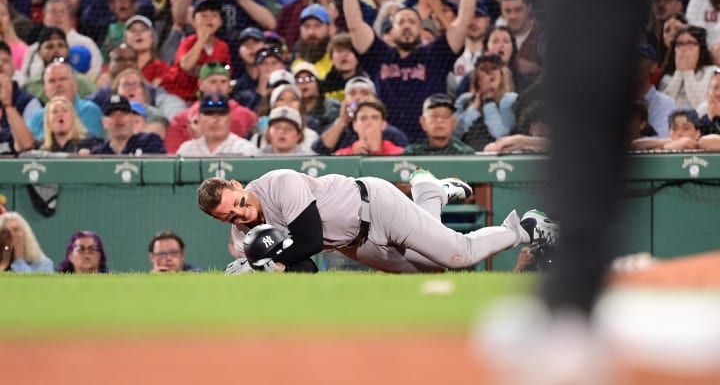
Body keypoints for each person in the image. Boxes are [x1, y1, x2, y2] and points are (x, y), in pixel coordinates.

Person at [197, 168, 556, 273]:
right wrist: (263, 269)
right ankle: (430, 192)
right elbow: (305, 267)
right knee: (436, 271)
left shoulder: (279, 183)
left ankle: (526, 228)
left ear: (237, 184)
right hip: (357, 243)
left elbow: (306, 242)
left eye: (239, 203)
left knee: (457, 254)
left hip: (376, 206)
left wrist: (262, 265)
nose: (241, 214)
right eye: (228, 215)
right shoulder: (242, 230)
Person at [342, 0, 476, 143]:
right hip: (386, 143)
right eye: (401, 22)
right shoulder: (378, 55)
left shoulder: (436, 55)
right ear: (392, 29)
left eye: (412, 22)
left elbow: (463, 22)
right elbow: (355, 26)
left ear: (420, 29)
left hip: (427, 144)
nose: (407, 26)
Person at [165, 62, 258, 154]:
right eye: (213, 81)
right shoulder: (181, 118)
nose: (219, 87)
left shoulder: (247, 116)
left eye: (223, 82)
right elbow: (172, 154)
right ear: (200, 84)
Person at [312, 75, 409, 154]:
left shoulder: (392, 134)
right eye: (352, 93)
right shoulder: (337, 130)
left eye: (364, 93)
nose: (358, 97)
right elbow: (320, 151)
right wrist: (342, 120)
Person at [164, 0, 230, 102]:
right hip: (178, 95)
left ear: (220, 22)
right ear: (194, 21)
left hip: (205, 98)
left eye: (214, 15)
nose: (209, 19)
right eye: (204, 16)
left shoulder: (222, 46)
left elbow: (226, 72)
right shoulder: (187, 43)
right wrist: (201, 40)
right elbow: (186, 65)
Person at [26, 60, 104, 140]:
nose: (58, 85)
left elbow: (92, 146)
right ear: (45, 90)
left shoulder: (90, 111)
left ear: (74, 85)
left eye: (63, 79)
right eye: (52, 81)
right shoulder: (37, 117)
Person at [457, 53, 517, 150]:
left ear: (501, 75)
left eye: (494, 68)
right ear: (476, 76)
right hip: (466, 156)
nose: (489, 73)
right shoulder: (464, 100)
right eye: (483, 69)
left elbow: (501, 134)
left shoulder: (511, 100)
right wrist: (473, 109)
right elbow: (455, 133)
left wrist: (489, 101)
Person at [177, 92, 257, 156]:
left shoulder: (244, 149)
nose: (215, 119)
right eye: (209, 114)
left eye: (221, 114)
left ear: (229, 118)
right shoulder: (187, 150)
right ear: (199, 118)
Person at [658, 26, 715, 110]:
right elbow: (662, 108)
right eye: (680, 44)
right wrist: (679, 73)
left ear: (701, 49)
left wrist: (688, 72)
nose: (684, 49)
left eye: (690, 43)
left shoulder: (712, 73)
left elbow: (702, 108)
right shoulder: (667, 78)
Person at [91, 94, 166, 155]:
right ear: (105, 122)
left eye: (124, 113)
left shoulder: (149, 142)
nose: (119, 119)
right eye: (112, 115)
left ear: (132, 119)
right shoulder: (99, 154)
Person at [403, 93, 475, 155]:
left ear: (454, 123)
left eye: (445, 116)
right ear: (423, 122)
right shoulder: (412, 153)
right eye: (434, 116)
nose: (440, 120)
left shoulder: (464, 154)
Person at [334, 98, 404, 155]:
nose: (369, 123)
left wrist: (376, 152)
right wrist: (353, 158)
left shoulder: (399, 154)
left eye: (374, 117)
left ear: (383, 124)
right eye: (363, 118)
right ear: (354, 125)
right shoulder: (341, 155)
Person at [37, 96, 103, 153]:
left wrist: (90, 157)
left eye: (64, 111)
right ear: (48, 120)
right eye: (55, 112)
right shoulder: (40, 148)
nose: (60, 115)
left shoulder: (91, 144)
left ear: (73, 117)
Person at [123, 14, 170, 87]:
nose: (138, 33)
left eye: (143, 30)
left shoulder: (163, 69)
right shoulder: (118, 67)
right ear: (126, 40)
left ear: (152, 38)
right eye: (133, 30)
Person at [630, 108, 702, 150]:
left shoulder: (702, 144)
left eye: (686, 128)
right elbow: (635, 144)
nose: (679, 133)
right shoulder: (665, 144)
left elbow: (685, 143)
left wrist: (662, 147)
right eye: (674, 129)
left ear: (697, 134)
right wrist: (669, 144)